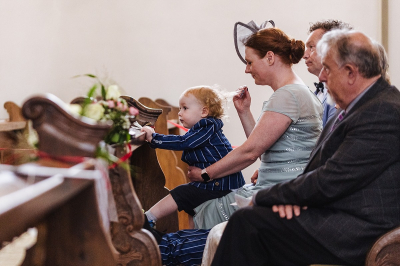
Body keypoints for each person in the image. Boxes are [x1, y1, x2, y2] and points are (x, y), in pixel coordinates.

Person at [211, 29, 400, 266]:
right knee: (253, 221)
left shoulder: (382, 111)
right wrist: (292, 199)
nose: (321, 76)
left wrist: (265, 197)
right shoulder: (358, 108)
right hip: (338, 211)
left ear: (351, 73)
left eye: (328, 69)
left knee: (249, 222)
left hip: (362, 228)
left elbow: (333, 179)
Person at [189, 27, 322, 230]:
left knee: (202, 207)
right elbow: (266, 150)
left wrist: (206, 173)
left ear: (270, 57)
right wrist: (244, 112)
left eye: (250, 62)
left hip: (279, 193)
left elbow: (250, 152)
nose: (247, 69)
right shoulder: (297, 91)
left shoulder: (287, 95)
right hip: (281, 187)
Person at [141, 86, 245, 228]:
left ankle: (148, 218)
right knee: (190, 204)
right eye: (180, 108)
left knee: (181, 193)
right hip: (217, 183)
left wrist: (153, 138)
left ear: (204, 111)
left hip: (222, 185)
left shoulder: (207, 126)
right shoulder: (204, 128)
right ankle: (191, 235)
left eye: (185, 108)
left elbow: (184, 142)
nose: (179, 113)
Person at [303, 19, 353, 126]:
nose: (305, 55)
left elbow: (332, 133)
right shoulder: (317, 92)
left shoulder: (343, 91)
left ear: (330, 48)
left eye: (311, 47)